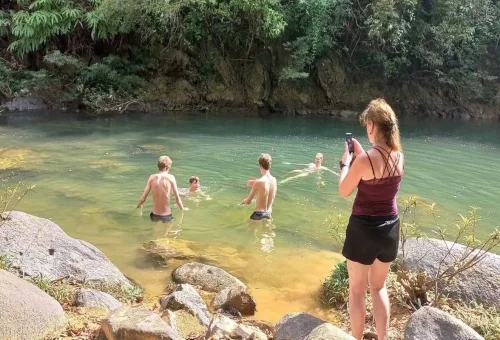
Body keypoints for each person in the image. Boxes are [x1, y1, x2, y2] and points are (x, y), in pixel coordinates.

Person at [337, 98, 404, 340]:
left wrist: (346, 163)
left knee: (356, 291)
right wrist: (361, 157)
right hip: (390, 229)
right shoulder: (399, 156)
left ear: (373, 126)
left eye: (367, 124)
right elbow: (381, 174)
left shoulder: (363, 160)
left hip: (364, 229)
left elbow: (344, 190)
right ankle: (382, 338)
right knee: (378, 287)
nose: (367, 129)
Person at [137, 155, 186, 223]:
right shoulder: (171, 178)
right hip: (166, 215)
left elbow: (143, 198)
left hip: (154, 215)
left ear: (158, 166)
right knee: (166, 233)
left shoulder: (151, 177)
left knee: (154, 232)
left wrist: (138, 206)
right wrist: (183, 209)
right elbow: (177, 200)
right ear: (168, 167)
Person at [242, 153, 277, 220]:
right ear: (270, 165)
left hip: (258, 215)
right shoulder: (274, 180)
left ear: (260, 166)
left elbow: (248, 201)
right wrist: (255, 182)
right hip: (268, 214)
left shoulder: (258, 182)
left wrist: (242, 202)